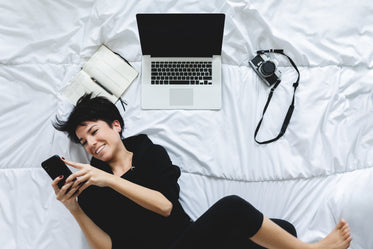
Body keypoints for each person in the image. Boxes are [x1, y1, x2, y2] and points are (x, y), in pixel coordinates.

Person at [52, 93, 352, 249]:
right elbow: (110, 247)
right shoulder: (91, 187)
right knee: (233, 209)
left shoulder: (149, 154)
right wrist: (73, 208)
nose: (90, 144)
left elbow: (164, 205)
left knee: (283, 231)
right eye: (83, 141)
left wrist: (110, 179)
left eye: (94, 132)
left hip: (193, 241)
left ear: (116, 125)